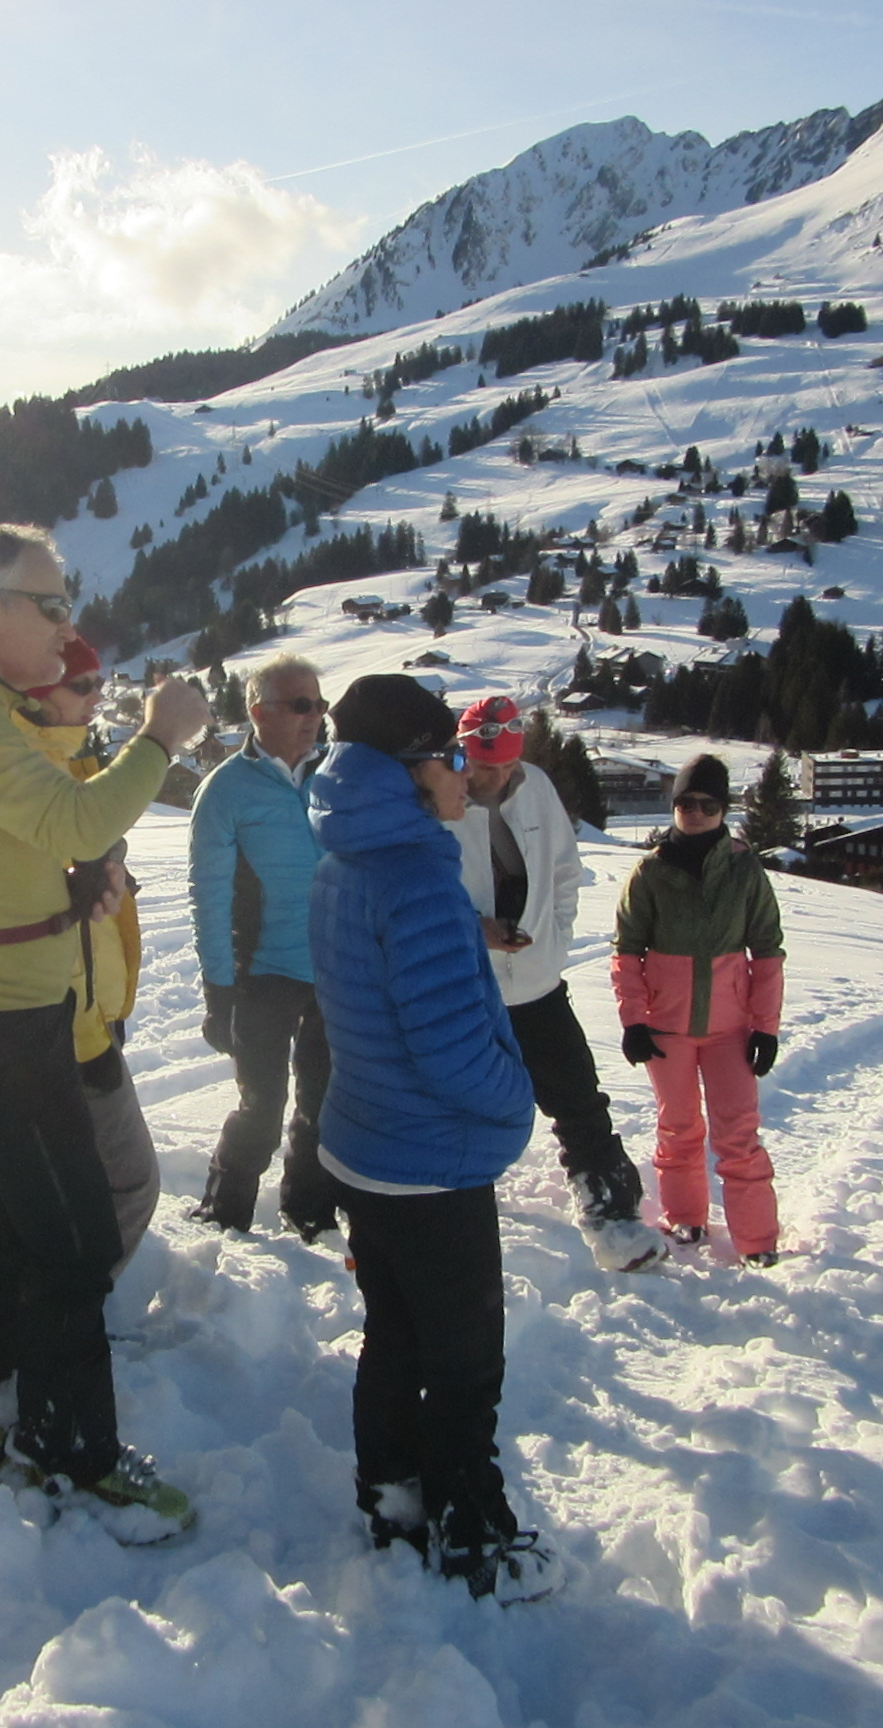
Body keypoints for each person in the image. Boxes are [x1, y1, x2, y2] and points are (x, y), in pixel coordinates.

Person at [0, 524, 209, 1540]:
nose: (67, 629)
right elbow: (77, 821)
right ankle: (74, 1454)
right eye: (52, 605)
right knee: (73, 1243)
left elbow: (32, 846)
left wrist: (69, 889)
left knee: (1, 1225)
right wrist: (160, 737)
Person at [306, 673, 555, 1603]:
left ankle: (393, 1497)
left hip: (367, 1146)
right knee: (463, 1363)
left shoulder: (346, 858)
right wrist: (516, 1100)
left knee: (395, 1337)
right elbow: (451, 1050)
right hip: (431, 1167)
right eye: (449, 755)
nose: (465, 771)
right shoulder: (415, 878)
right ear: (408, 770)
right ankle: (472, 1533)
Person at [448, 696, 665, 1274]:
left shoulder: (536, 786)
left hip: (539, 983)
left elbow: (566, 870)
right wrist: (474, 932)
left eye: (505, 765)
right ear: (462, 751)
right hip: (468, 987)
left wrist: (555, 940)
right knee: (459, 1106)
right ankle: (451, 1216)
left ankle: (613, 1218)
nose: (494, 777)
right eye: (483, 765)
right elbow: (417, 890)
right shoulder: (437, 797)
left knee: (579, 1101)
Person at [13, 635, 160, 1273]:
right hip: (65, 1030)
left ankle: (60, 1299)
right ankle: (70, 1302)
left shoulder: (74, 764)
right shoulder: (30, 774)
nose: (97, 696)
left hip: (93, 1014)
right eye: (82, 684)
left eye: (101, 682)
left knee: (78, 1184)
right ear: (37, 690)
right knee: (129, 1182)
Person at [612, 753, 786, 1268]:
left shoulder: (744, 870)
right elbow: (627, 952)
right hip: (667, 1028)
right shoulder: (650, 871)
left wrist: (765, 1028)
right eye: (686, 803)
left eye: (708, 805)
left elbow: (767, 952)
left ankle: (757, 1240)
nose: (696, 813)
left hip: (731, 1029)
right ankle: (686, 1218)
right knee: (679, 1128)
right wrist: (634, 1021)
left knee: (738, 1132)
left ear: (724, 809)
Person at [186, 652, 338, 1238]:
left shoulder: (338, 777)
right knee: (262, 1107)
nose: (314, 715)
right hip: (263, 975)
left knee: (324, 1103)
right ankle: (224, 1214)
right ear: (258, 712)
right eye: (300, 705)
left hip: (336, 972)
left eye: (319, 704)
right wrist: (218, 991)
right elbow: (209, 897)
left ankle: (310, 1211)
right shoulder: (224, 790)